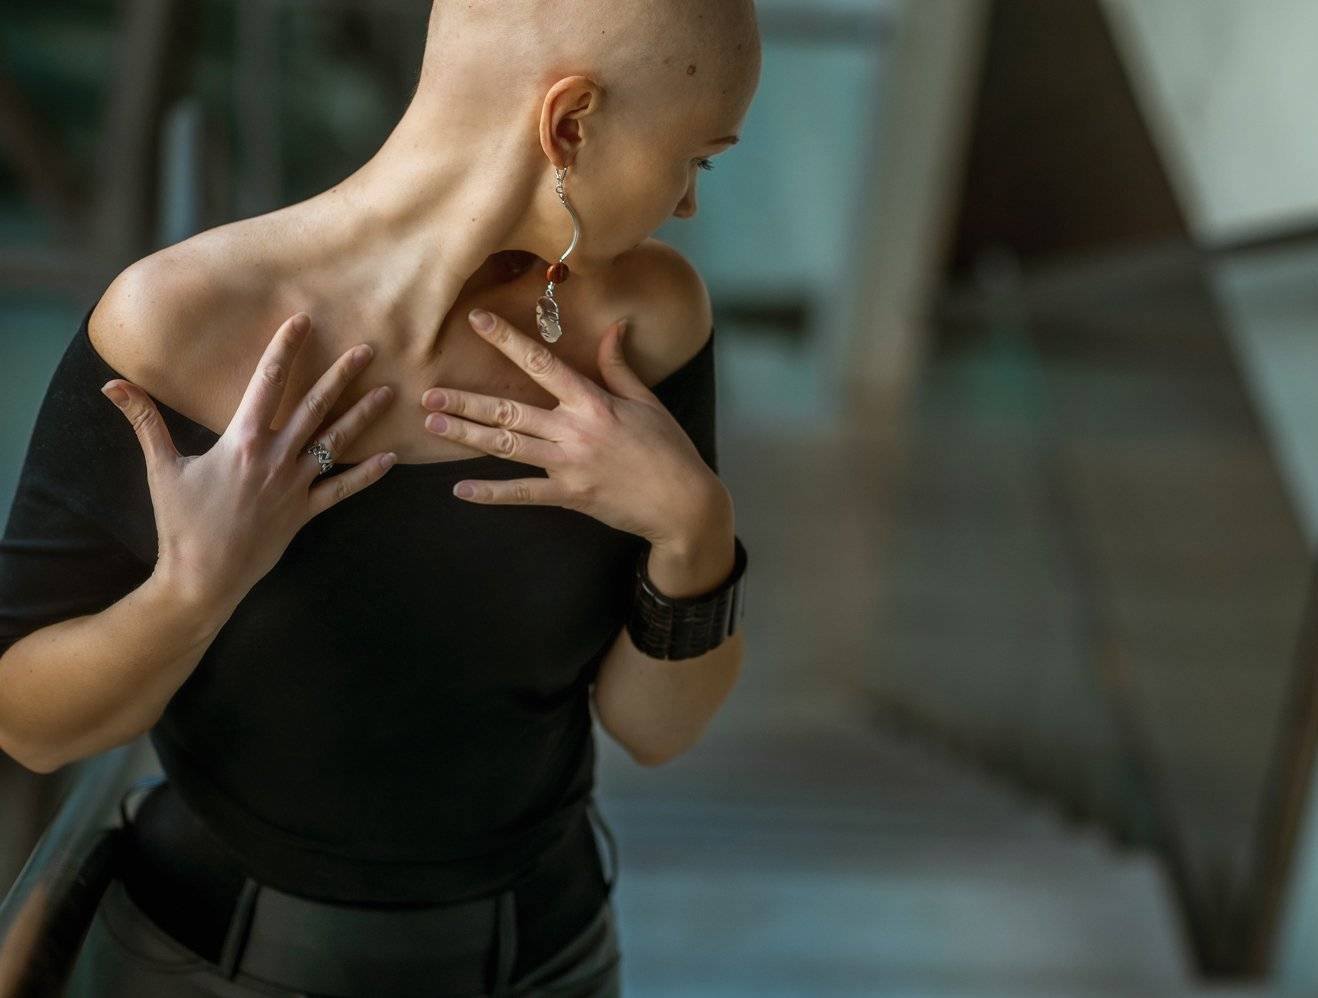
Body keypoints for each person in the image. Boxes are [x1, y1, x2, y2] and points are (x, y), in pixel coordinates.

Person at [0, 0, 760, 993]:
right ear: (570, 124)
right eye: (694, 159)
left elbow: (657, 730)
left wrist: (696, 531)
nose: (688, 203)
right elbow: (29, 723)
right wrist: (190, 590)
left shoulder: (647, 320)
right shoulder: (177, 324)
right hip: (207, 962)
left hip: (552, 957)